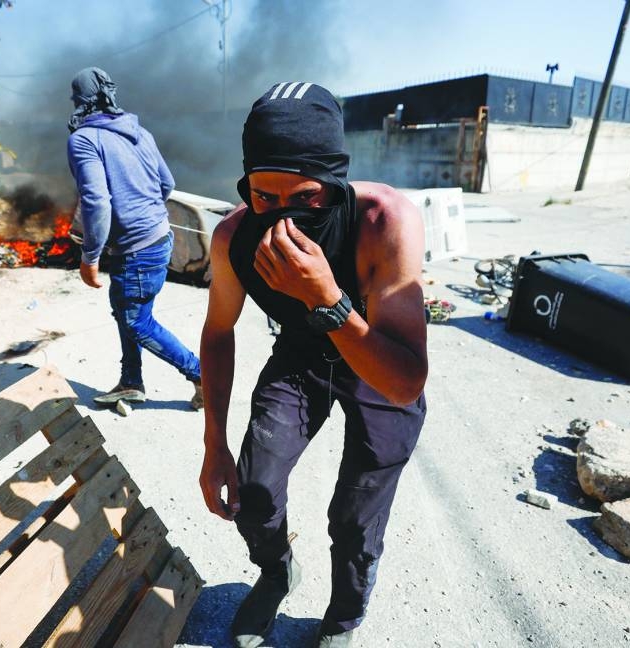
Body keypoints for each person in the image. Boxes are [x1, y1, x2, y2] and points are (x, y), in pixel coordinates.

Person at [198, 82, 428, 647]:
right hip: (302, 354)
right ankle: (278, 573)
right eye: (264, 197)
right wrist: (213, 444)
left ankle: (344, 617)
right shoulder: (234, 238)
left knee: (355, 517)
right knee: (254, 488)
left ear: (335, 181)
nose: (286, 219)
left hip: (372, 356)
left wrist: (327, 299)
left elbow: (404, 384)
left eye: (307, 197)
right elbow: (219, 331)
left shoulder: (383, 221)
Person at [66, 67, 203, 410]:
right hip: (159, 237)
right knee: (127, 311)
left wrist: (90, 256)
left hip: (136, 250)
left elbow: (97, 202)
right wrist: (145, 211)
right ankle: (131, 382)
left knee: (136, 321)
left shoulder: (84, 140)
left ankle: (203, 376)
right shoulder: (139, 132)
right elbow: (166, 184)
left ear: (79, 102)